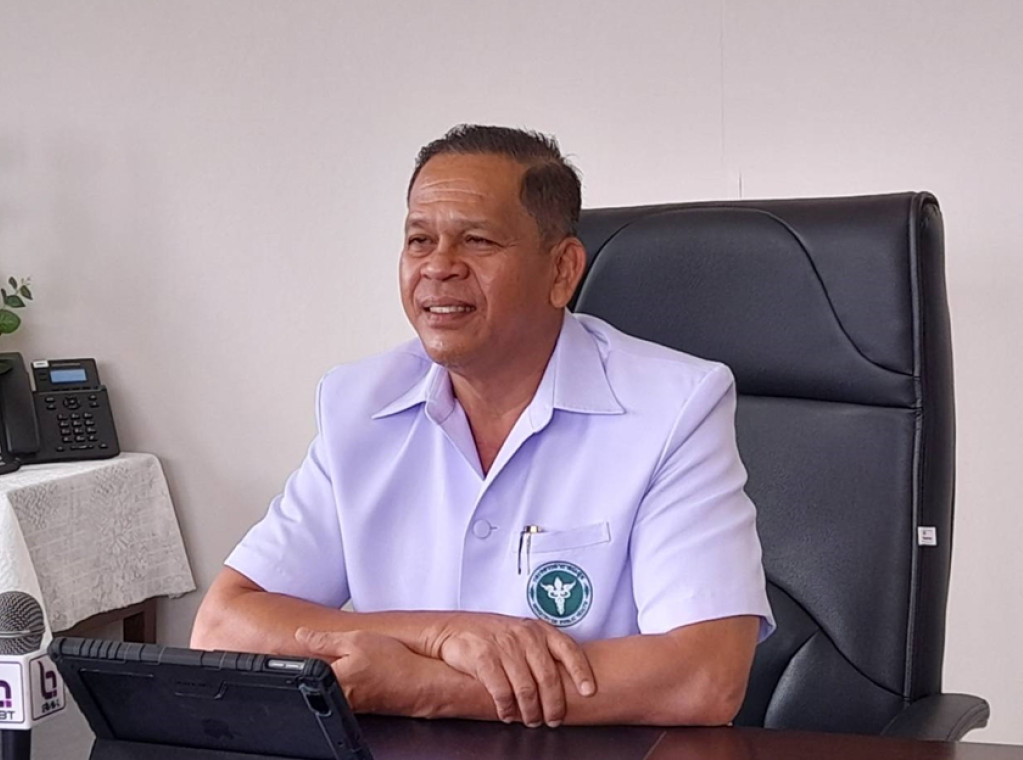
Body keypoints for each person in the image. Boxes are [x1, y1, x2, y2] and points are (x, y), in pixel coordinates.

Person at [191, 124, 774, 728]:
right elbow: (223, 626)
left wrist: (427, 686)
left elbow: (705, 677)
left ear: (562, 271)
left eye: (477, 240)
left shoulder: (675, 406)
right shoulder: (358, 404)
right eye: (419, 240)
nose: (439, 267)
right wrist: (439, 634)